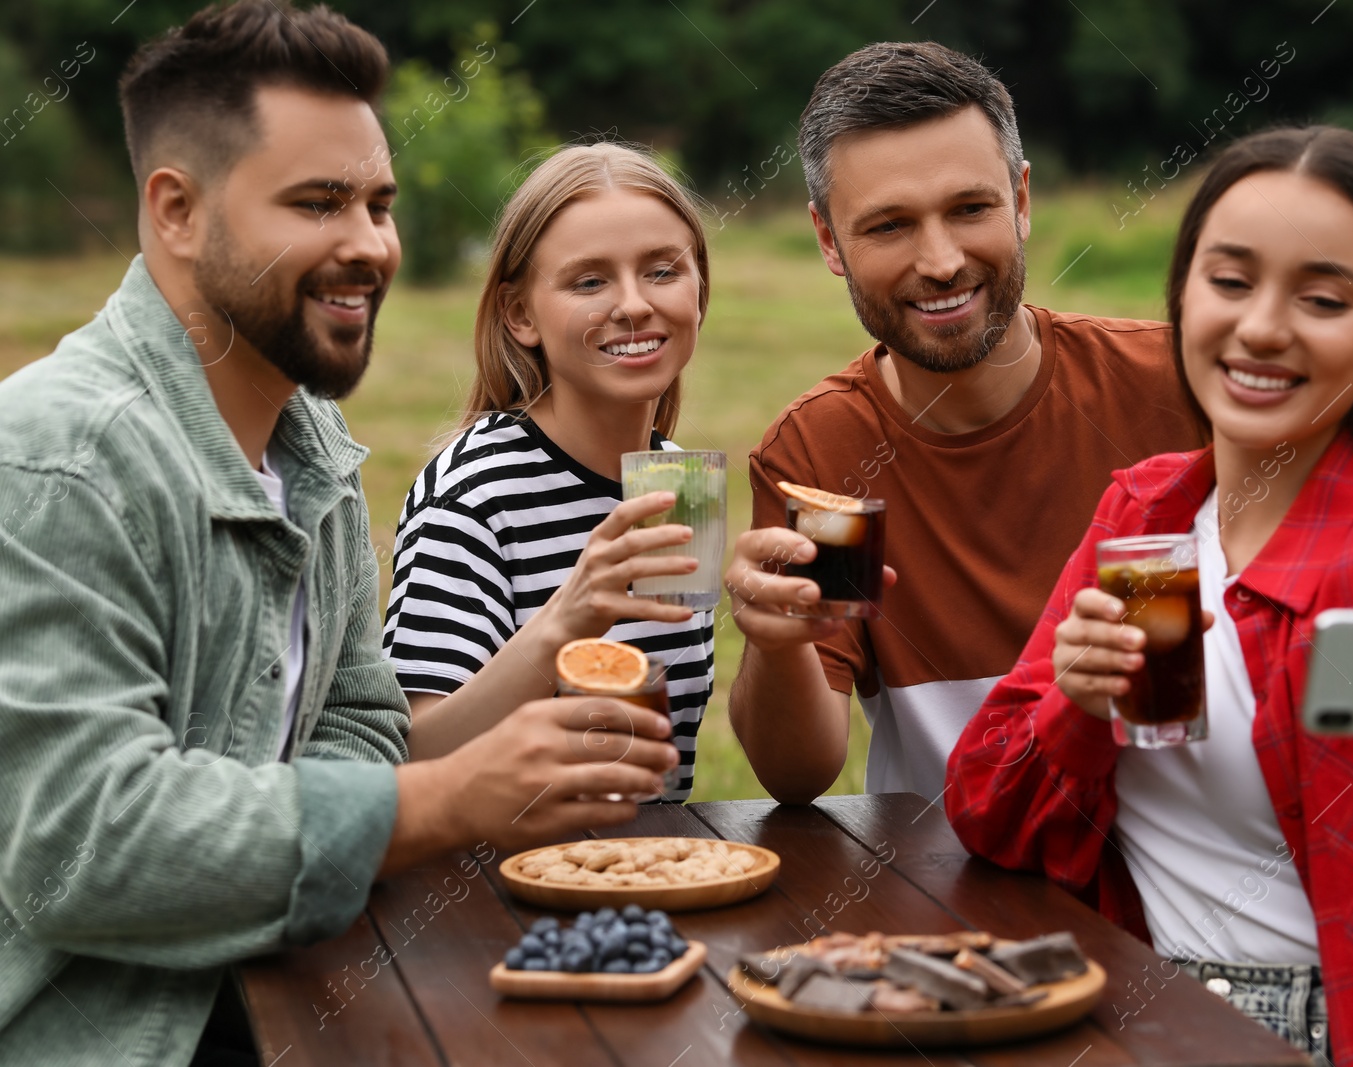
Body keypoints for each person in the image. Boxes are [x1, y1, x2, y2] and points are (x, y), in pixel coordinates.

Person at [0, 4, 674, 1063]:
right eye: (318, 202)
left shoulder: (309, 437)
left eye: (378, 202)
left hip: (295, 981)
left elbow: (361, 718)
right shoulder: (57, 457)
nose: (368, 245)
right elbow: (83, 843)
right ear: (176, 210)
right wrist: (449, 795)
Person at [945, 125, 1353, 1065]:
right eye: (1231, 281)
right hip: (1144, 1012)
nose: (1261, 327)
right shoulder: (1145, 510)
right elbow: (986, 813)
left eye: (1324, 298)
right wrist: (1076, 706)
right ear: (1183, 297)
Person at [722, 42, 1205, 804]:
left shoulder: (1179, 389)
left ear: (1020, 199)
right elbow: (796, 774)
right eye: (889, 226)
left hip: (1183, 877)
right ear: (828, 241)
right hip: (958, 890)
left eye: (970, 209)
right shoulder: (824, 450)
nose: (941, 260)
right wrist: (777, 644)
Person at [383, 143, 715, 799]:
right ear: (521, 314)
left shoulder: (679, 482)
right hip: (493, 888)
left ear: (699, 288)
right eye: (589, 281)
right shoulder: (473, 493)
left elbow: (662, 768)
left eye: (662, 271)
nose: (632, 305)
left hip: (639, 874)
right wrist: (568, 620)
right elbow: (412, 760)